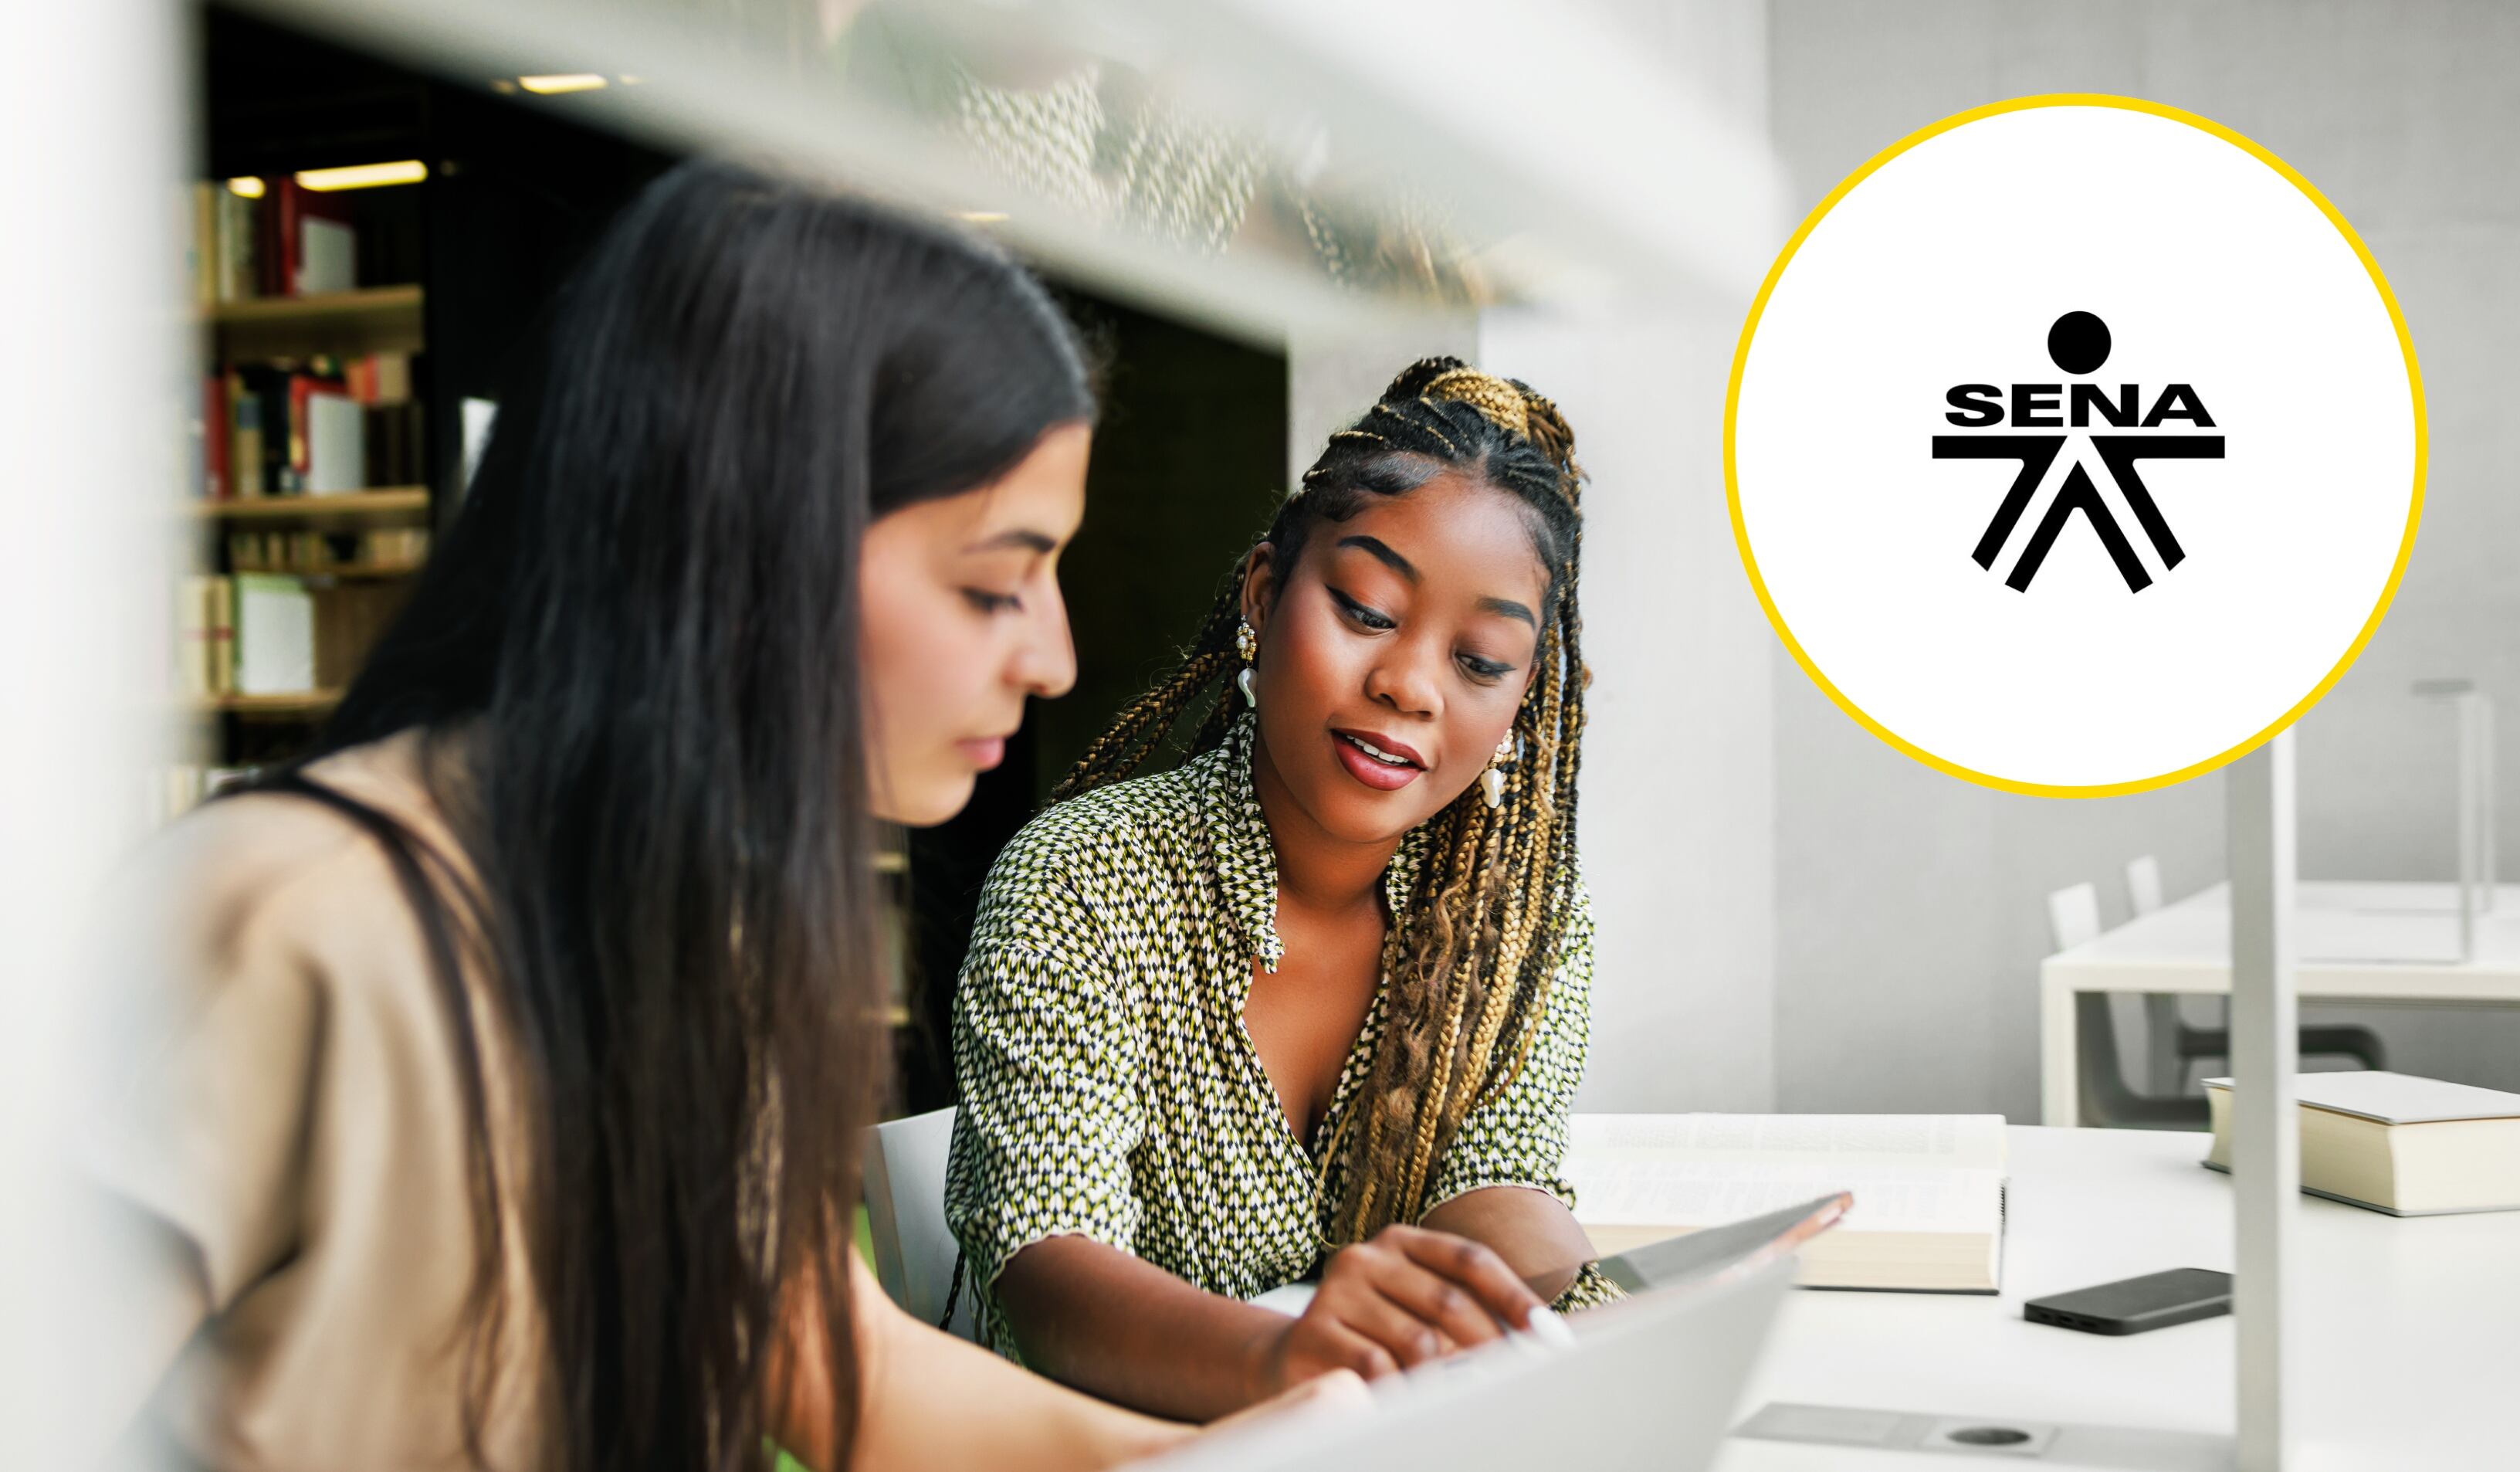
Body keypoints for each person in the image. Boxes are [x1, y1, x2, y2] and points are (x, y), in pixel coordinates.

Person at [75, 160, 1350, 1472]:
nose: (1056, 659)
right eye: (992, 584)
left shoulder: (689, 935)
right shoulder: (285, 917)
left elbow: (841, 1367)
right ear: (747, 545)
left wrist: (1278, 1428)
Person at [945, 358, 1614, 1422]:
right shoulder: (1084, 881)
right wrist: (1293, 1358)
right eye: (1364, 608)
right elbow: (1047, 1267)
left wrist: (1548, 1276)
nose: (1409, 683)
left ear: (1525, 699)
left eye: (1482, 659)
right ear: (1264, 596)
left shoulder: (1523, 930)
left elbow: (1499, 1179)